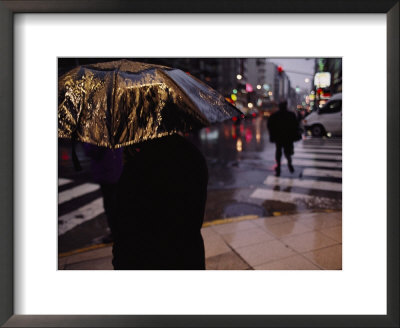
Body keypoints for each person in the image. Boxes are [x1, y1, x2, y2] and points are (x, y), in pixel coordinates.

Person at [112, 133, 208, 270]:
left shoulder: (139, 167)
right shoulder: (193, 155)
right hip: (189, 255)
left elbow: (125, 226)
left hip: (149, 260)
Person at [83, 144, 123, 242]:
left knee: (111, 206)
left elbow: (92, 149)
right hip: (117, 168)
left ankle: (116, 234)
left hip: (107, 171)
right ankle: (119, 233)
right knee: (116, 204)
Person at [267, 101, 300, 177]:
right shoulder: (291, 115)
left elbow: (269, 125)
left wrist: (272, 135)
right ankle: (289, 163)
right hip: (288, 138)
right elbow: (296, 126)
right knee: (288, 153)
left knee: (278, 152)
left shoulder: (275, 115)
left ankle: (278, 166)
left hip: (278, 138)